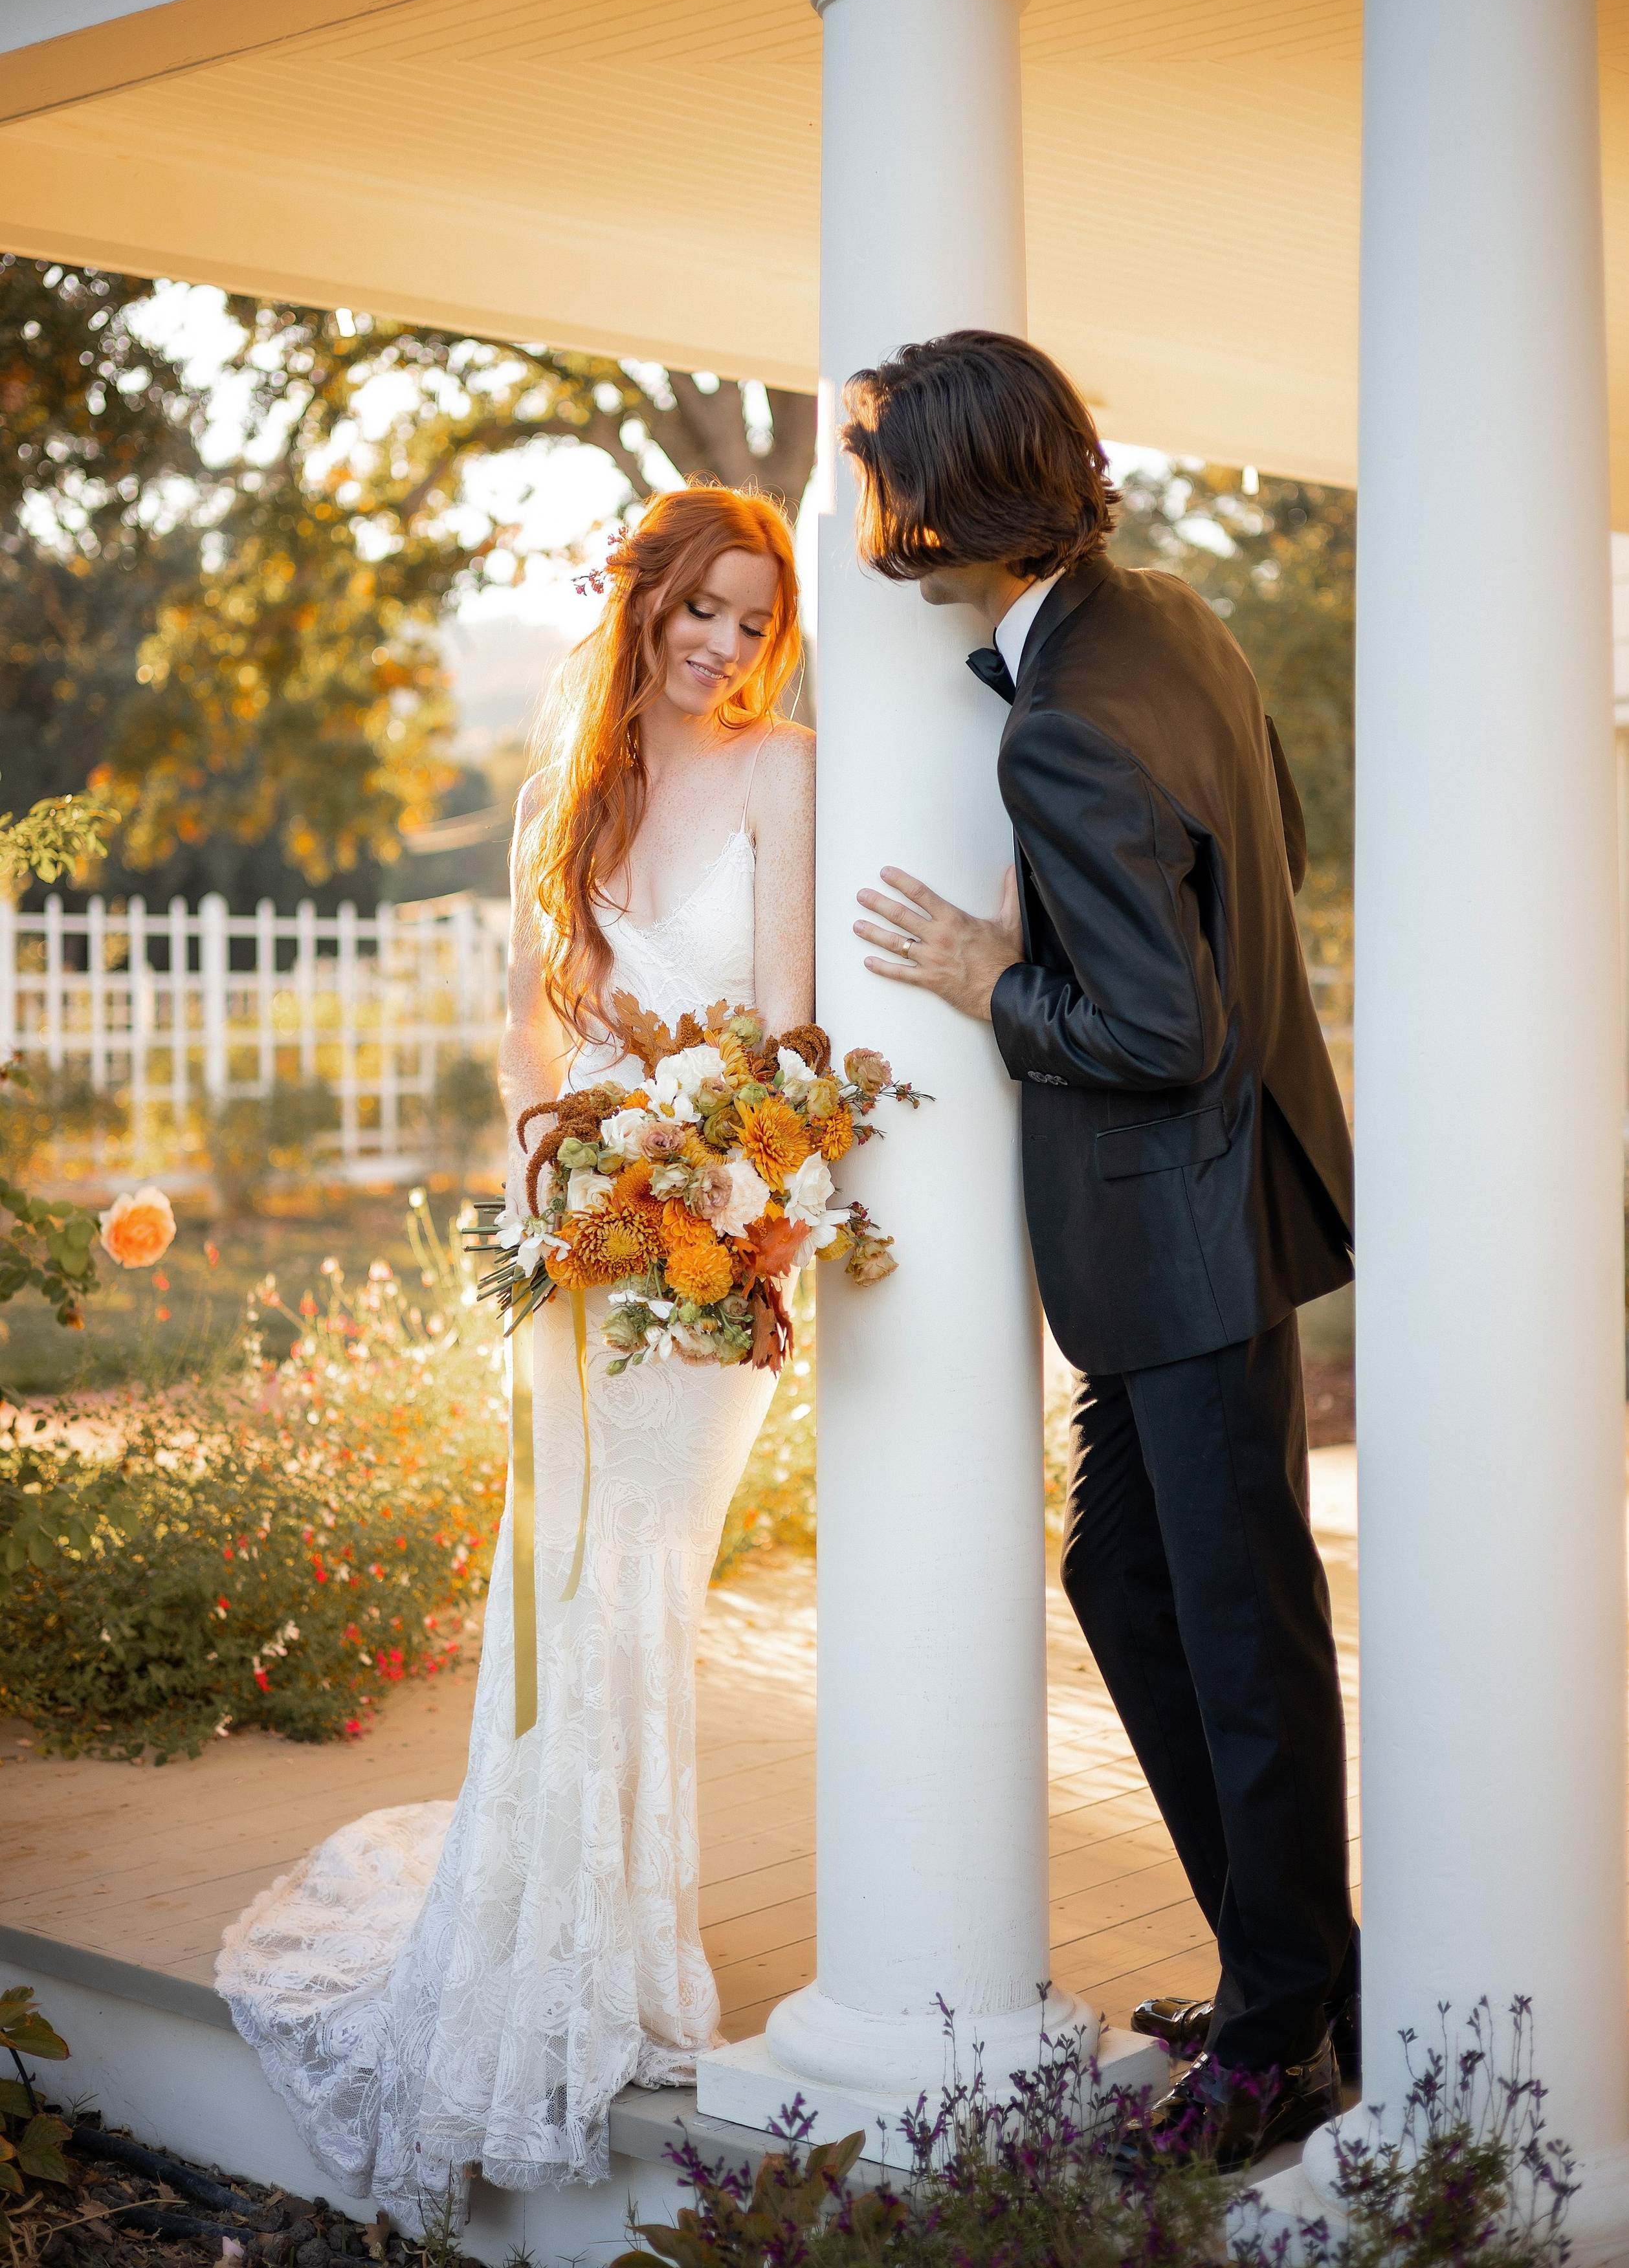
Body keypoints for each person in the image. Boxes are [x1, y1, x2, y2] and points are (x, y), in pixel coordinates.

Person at [217, 485, 815, 2223]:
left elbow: (782, 1039)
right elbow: (528, 1043)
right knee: (564, 1577)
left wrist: (717, 1190)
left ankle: (619, 1950)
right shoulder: (569, 793)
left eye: (754, 619)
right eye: (701, 607)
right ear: (644, 606)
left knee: (645, 1571)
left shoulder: (783, 770)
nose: (722, 644)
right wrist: (552, 1203)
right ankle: (559, 1942)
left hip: (712, 1246)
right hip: (575, 1246)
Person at [841, 329, 1357, 2170]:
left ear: (947, 494)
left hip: (1181, 1224)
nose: (861, 496)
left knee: (1232, 1631)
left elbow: (1156, 1030)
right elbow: (1264, 850)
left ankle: (1284, 2039)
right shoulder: (1180, 621)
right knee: (1148, 1591)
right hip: (1227, 1214)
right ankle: (1309, 1983)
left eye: (873, 462)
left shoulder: (1065, 720)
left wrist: (996, 977)